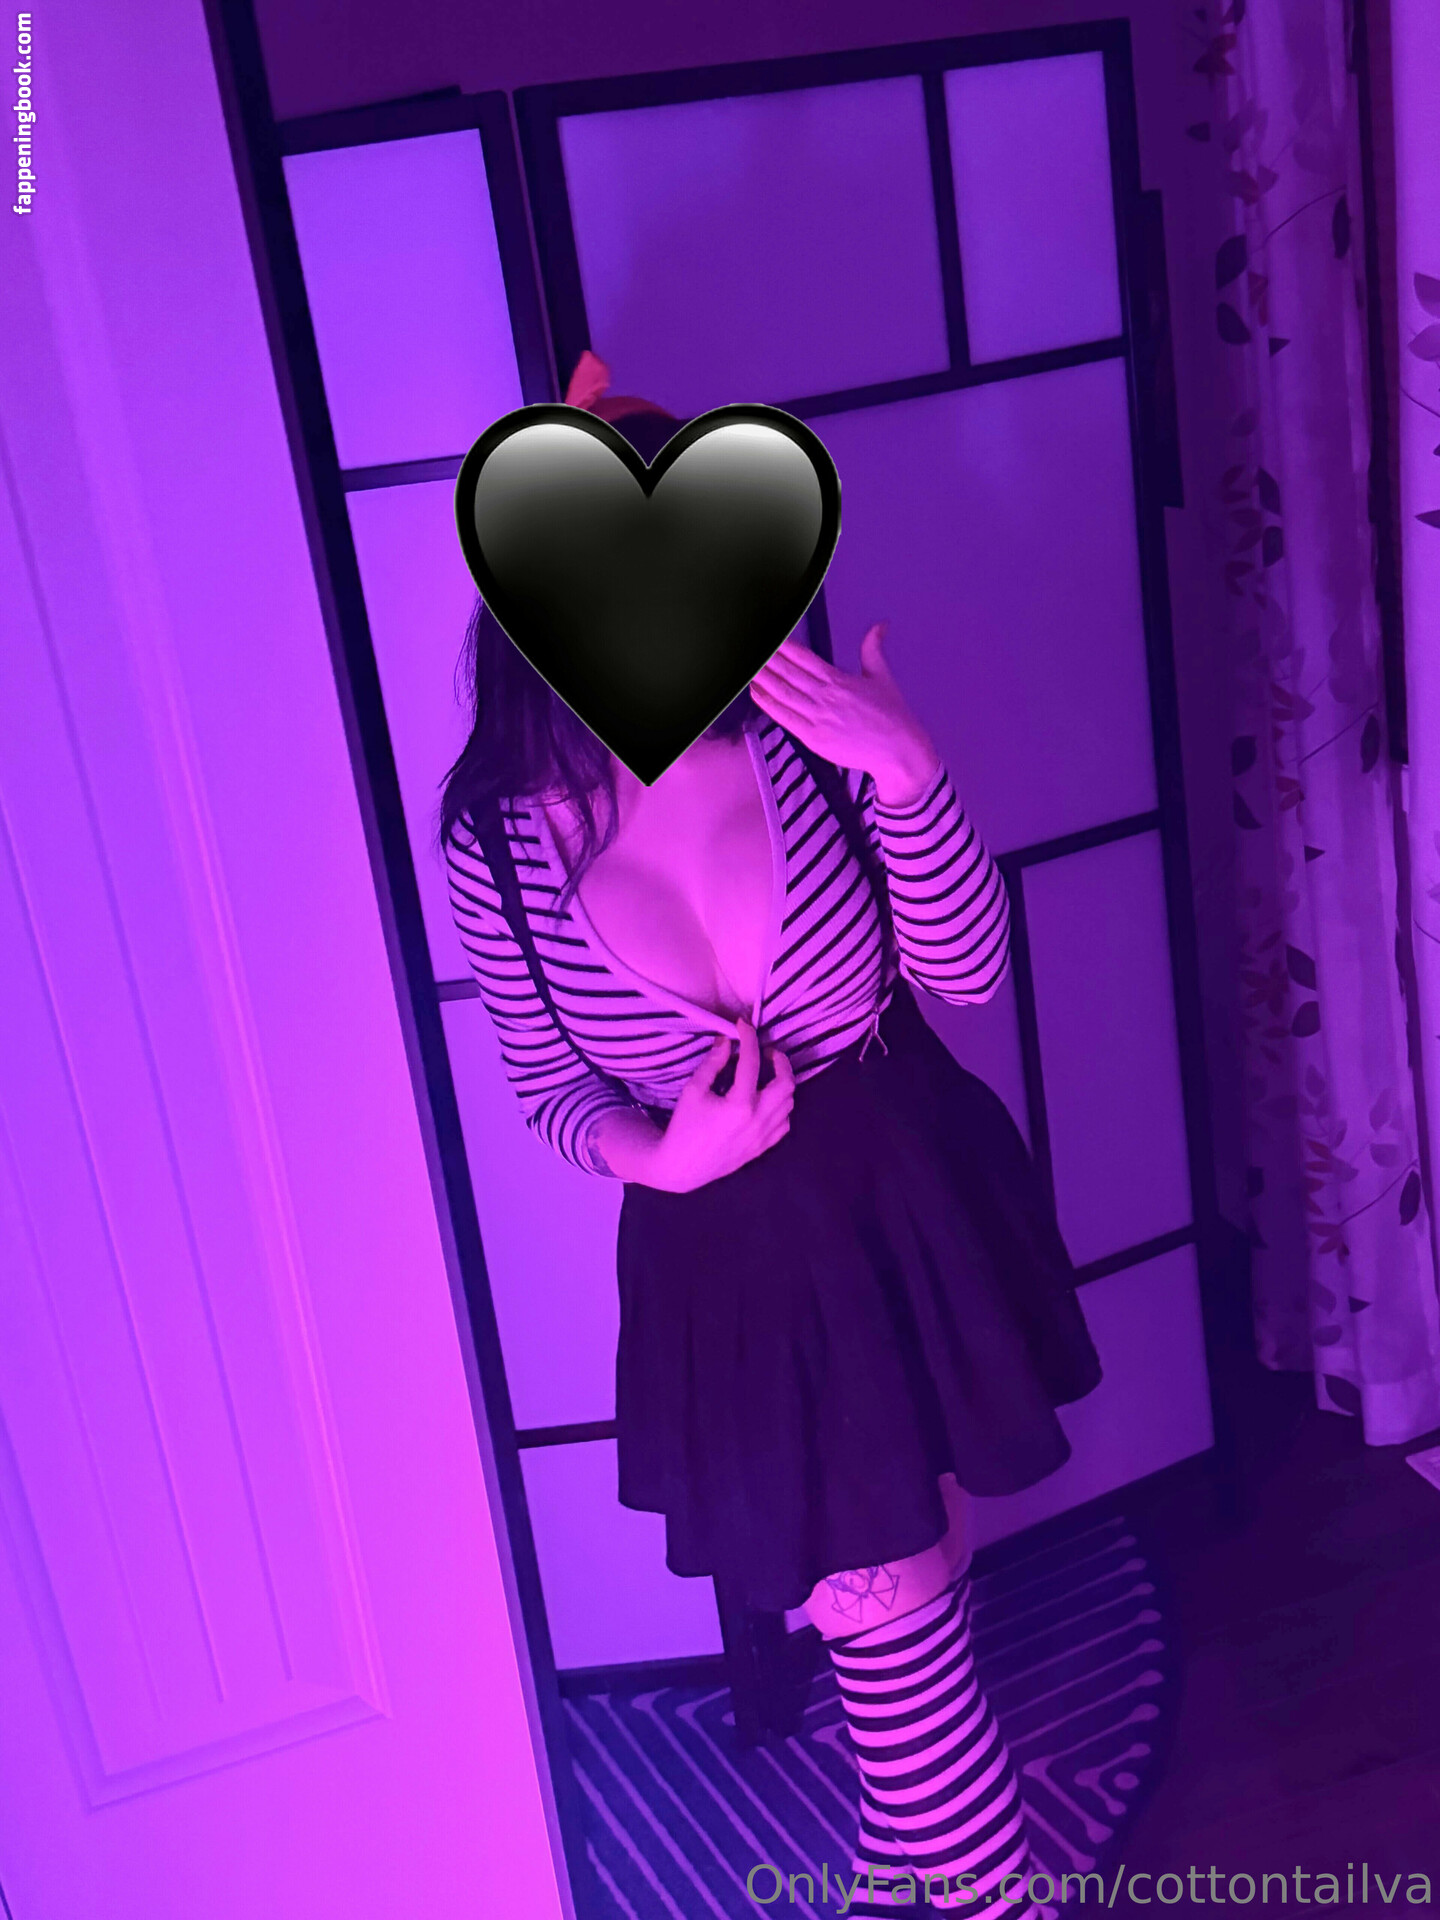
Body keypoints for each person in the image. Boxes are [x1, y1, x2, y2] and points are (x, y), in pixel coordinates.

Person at [438, 350, 1102, 1918]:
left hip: (903, 1183)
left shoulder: (805, 738)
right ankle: (970, 1879)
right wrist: (659, 1158)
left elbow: (968, 975)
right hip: (728, 1250)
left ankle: (915, 1864)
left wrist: (912, 774)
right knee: (877, 1588)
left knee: (901, 1564)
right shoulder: (495, 847)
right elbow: (548, 1089)